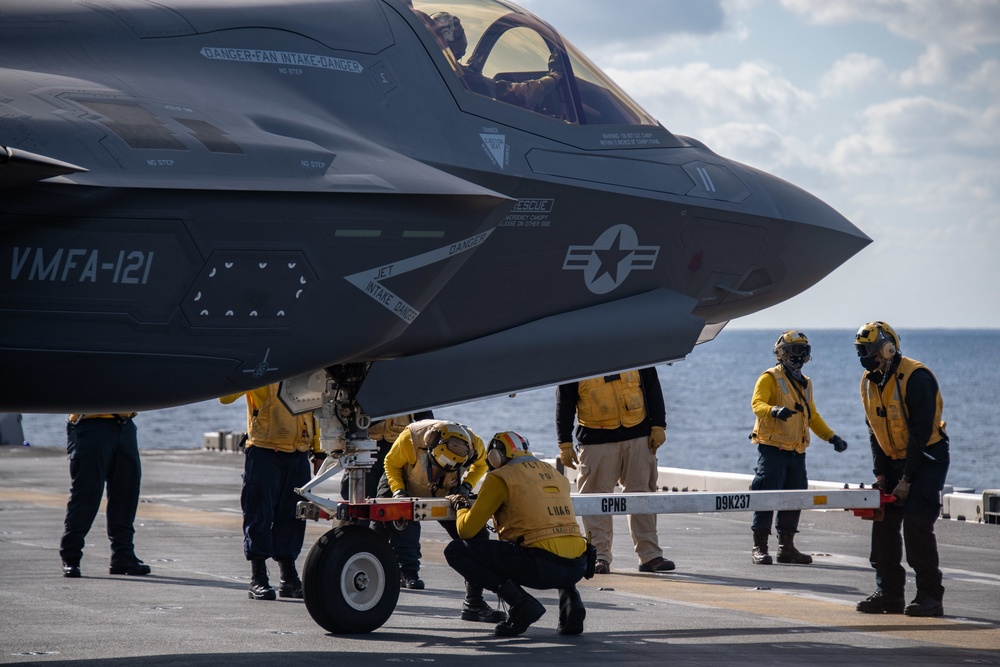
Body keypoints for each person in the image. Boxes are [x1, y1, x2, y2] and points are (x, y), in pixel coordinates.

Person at [445, 431, 589, 637]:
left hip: (542, 569)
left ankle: (521, 604)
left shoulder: (500, 477)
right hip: (577, 566)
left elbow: (466, 530)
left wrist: (460, 505)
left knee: (456, 551)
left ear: (495, 455)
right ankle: (572, 602)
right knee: (556, 538)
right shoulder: (553, 472)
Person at [853, 321, 949, 617]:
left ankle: (930, 596)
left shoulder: (916, 377)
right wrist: (881, 476)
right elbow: (874, 431)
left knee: (917, 523)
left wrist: (906, 479)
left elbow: (920, 435)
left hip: (927, 458)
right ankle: (889, 594)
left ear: (887, 347)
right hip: (893, 459)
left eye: (868, 351)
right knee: (883, 525)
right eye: (860, 352)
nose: (865, 358)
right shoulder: (869, 382)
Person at [377, 418, 504, 623]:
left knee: (476, 534)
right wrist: (398, 492)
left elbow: (481, 466)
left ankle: (474, 604)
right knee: (378, 530)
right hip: (404, 479)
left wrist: (466, 486)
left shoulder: (476, 445)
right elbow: (391, 463)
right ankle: (372, 586)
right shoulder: (411, 438)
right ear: (431, 447)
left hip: (448, 488)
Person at [556, 367, 672, 574]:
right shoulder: (575, 357)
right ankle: (599, 556)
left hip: (638, 435)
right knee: (595, 500)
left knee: (642, 495)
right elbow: (564, 400)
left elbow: (652, 387)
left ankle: (650, 556)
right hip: (595, 440)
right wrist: (564, 442)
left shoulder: (635, 350)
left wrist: (658, 425)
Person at [748, 331, 849, 565]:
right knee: (766, 496)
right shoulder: (769, 378)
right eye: (796, 350)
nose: (801, 355)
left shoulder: (806, 383)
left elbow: (811, 416)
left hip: (797, 451)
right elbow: (757, 404)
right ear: (782, 353)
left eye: (805, 350)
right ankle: (759, 547)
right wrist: (774, 411)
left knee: (795, 497)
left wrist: (831, 437)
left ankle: (786, 547)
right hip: (773, 449)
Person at [219, 384, 325, 601]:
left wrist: (318, 450)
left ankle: (288, 576)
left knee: (294, 515)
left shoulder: (304, 366)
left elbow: (314, 410)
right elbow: (225, 397)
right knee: (259, 513)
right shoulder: (264, 367)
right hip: (264, 450)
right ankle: (258, 577)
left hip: (298, 452)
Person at [60, 412, 151, 577]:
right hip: (90, 425)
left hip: (124, 424)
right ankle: (71, 556)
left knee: (126, 492)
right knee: (86, 494)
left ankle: (123, 555)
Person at [425, 11, 567, 115]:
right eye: (460, 32)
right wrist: (555, 75)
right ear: (452, 40)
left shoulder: (432, 69)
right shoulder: (461, 76)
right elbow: (524, 95)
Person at [339, 411, 433, 506]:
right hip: (364, 446)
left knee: (399, 504)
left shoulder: (411, 396)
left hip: (398, 449)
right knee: (358, 501)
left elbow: (425, 417)